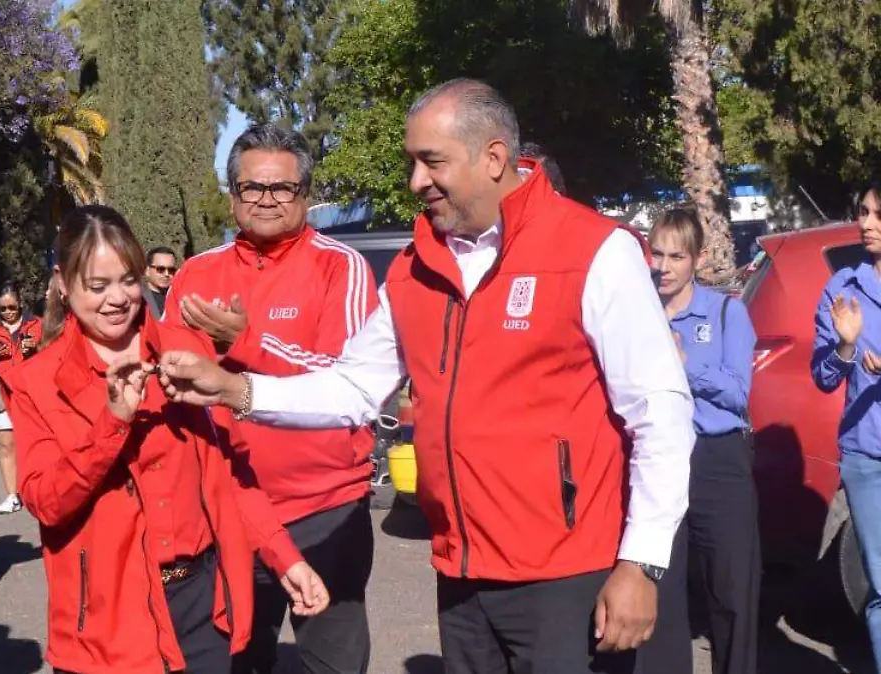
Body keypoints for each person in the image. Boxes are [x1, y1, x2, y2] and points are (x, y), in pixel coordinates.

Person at [157, 78, 696, 674]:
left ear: (493, 157)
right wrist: (237, 389)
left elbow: (660, 411)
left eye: (431, 161)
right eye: (412, 162)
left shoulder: (594, 249)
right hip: (461, 575)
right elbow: (355, 387)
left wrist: (641, 563)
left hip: (569, 574)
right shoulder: (415, 269)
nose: (416, 181)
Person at [1, 204, 331, 674]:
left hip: (201, 606)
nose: (118, 298)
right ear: (61, 281)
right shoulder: (34, 381)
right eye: (97, 286)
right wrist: (113, 422)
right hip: (106, 622)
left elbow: (231, 470)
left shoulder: (187, 349)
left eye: (129, 279)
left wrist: (285, 558)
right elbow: (46, 501)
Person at [165, 123, 378, 674]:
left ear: (305, 194)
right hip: (229, 511)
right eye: (251, 187)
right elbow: (172, 389)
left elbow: (346, 381)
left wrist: (245, 343)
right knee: (238, 660)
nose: (266, 199)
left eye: (281, 188)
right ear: (232, 194)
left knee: (333, 662)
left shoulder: (340, 266)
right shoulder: (195, 274)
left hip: (324, 510)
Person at [645, 209, 758, 674]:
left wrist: (684, 363)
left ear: (698, 258)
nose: (664, 266)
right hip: (658, 463)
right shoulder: (638, 313)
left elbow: (737, 393)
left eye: (677, 256)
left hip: (718, 461)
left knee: (732, 596)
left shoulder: (727, 311)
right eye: (657, 253)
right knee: (661, 597)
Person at [813, 178, 881, 673]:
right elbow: (821, 376)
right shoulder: (842, 290)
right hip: (867, 459)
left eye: (877, 214)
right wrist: (846, 347)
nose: (866, 223)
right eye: (863, 212)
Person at [0, 282, 42, 515]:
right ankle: (12, 495)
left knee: (33, 441)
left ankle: (34, 487)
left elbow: (50, 352)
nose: (7, 312)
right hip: (1, 389)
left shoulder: (36, 324)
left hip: (31, 390)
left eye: (12, 307)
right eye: (2, 308)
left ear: (20, 304)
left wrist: (35, 349)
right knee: (6, 444)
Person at [144, 246, 177, 319]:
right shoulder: (139, 300)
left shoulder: (178, 297)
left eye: (171, 270)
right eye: (160, 269)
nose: (166, 274)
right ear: (147, 271)